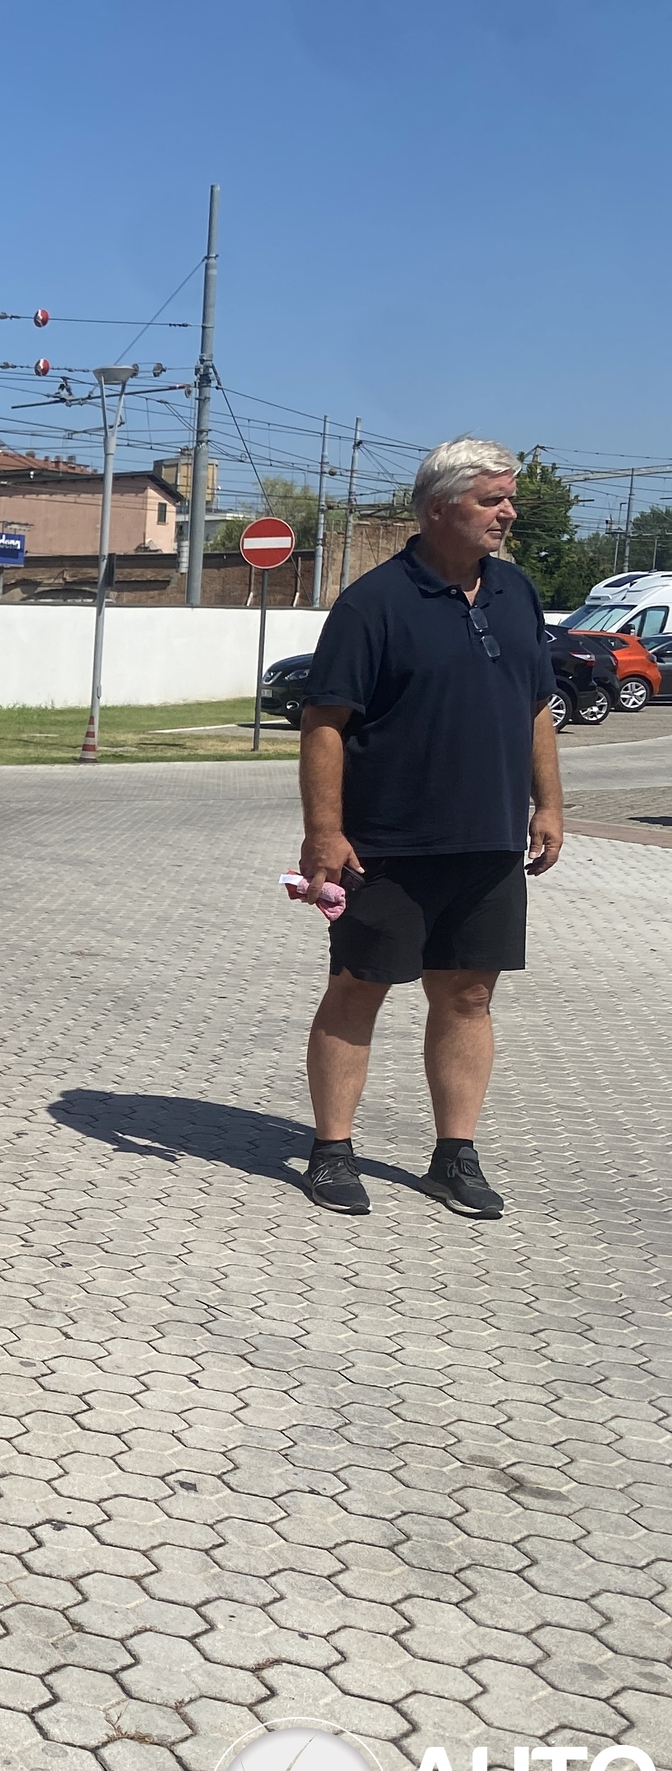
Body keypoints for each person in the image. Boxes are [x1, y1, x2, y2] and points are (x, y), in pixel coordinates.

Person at [295, 437, 562, 1220]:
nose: (508, 512)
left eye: (508, 499)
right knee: (359, 988)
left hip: (488, 842)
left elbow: (537, 705)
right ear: (440, 507)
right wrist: (324, 832)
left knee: (471, 996)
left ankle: (454, 1156)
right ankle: (332, 1151)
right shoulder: (373, 603)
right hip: (387, 846)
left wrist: (548, 805)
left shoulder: (515, 592)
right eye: (492, 499)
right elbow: (323, 722)